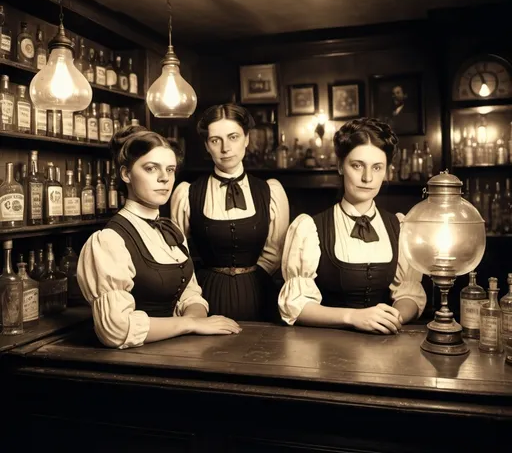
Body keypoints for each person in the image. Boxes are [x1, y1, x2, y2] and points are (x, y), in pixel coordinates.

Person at [77, 125, 241, 349]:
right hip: (132, 360)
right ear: (126, 174)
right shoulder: (109, 241)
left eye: (170, 169)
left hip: (177, 349)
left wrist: (193, 320)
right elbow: (116, 330)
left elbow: (190, 294)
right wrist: (189, 324)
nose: (164, 178)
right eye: (151, 168)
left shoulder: (171, 230)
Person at [278, 117, 426, 334]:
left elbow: (408, 293)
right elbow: (296, 306)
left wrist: (392, 318)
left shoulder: (400, 226)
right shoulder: (310, 228)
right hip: (327, 348)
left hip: (384, 347)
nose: (367, 177)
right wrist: (353, 317)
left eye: (377, 168)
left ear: (387, 171)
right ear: (340, 166)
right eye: (357, 166)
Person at [171, 103, 289, 322]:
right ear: (207, 145)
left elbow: (275, 252)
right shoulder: (187, 193)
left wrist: (246, 282)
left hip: (260, 297)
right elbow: (179, 256)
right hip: (207, 297)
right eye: (216, 140)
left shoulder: (271, 191)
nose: (225, 148)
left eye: (233, 137)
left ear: (247, 139)